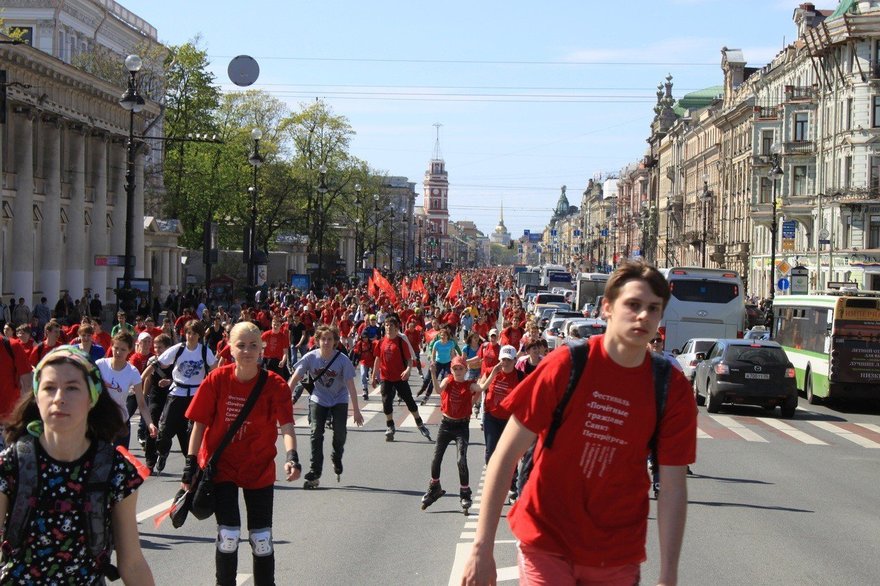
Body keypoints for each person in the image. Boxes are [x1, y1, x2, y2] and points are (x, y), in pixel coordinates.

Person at [461, 261, 697, 586]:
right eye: (632, 304)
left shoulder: (670, 387)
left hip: (616, 553)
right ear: (607, 308)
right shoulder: (566, 365)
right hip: (547, 539)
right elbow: (505, 454)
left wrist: (668, 574)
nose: (643, 315)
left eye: (653, 308)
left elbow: (672, 486)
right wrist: (481, 547)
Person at [0, 346, 154, 584]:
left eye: (72, 388)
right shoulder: (11, 464)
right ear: (36, 397)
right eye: (49, 388)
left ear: (91, 398)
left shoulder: (115, 470)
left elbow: (132, 563)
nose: (59, 397)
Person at [183, 322, 300, 586]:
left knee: (261, 539)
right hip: (222, 468)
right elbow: (199, 424)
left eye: (253, 345)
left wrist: (292, 457)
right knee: (229, 535)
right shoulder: (217, 379)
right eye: (241, 345)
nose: (247, 351)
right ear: (230, 349)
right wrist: (189, 466)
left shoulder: (275, 384)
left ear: (261, 349)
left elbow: (287, 426)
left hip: (258, 469)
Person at [288, 325, 364, 488]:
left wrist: (356, 411)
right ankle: (315, 471)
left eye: (330, 339)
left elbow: (351, 386)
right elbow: (296, 378)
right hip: (319, 398)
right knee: (316, 432)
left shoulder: (342, 359)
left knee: (340, 433)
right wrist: (285, 399)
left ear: (335, 341)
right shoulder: (310, 357)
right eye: (323, 339)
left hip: (339, 399)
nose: (326, 342)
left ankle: (337, 456)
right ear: (317, 341)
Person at [421, 355, 483, 512]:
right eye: (455, 368)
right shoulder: (448, 380)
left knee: (461, 459)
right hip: (446, 425)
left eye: (461, 368)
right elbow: (438, 390)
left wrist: (493, 373)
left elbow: (481, 389)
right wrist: (433, 373)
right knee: (436, 458)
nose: (458, 371)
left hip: (462, 427)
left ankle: (465, 493)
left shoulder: (469, 385)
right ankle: (434, 486)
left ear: (465, 369)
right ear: (451, 369)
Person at [154, 320, 217, 472]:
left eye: (194, 334)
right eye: (188, 333)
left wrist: (211, 389)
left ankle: (192, 466)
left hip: (195, 395)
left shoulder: (204, 351)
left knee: (190, 433)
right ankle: (162, 453)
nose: (191, 336)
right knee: (164, 430)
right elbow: (159, 363)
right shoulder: (179, 349)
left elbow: (214, 370)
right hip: (177, 393)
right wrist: (144, 378)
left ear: (199, 335)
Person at [371, 316, 432, 443]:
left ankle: (420, 424)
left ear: (396, 328)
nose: (388, 328)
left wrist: (408, 370)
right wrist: (373, 376)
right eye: (386, 325)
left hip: (400, 377)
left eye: (391, 326)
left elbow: (409, 360)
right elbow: (377, 359)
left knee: (409, 401)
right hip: (386, 377)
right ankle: (390, 426)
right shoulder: (381, 342)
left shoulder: (400, 341)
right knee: (386, 402)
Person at [96, 331, 156, 449]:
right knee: (99, 463)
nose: (118, 352)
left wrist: (150, 423)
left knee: (120, 463)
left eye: (123, 349)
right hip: (101, 422)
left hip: (120, 423)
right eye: (116, 348)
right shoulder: (100, 365)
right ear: (111, 347)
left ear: (129, 350)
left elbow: (142, 403)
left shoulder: (132, 372)